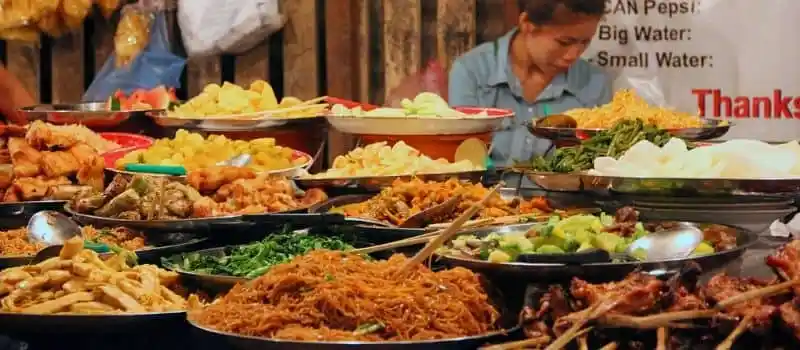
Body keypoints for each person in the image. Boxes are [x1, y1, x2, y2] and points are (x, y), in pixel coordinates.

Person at [449, 0, 611, 168]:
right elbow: (464, 159)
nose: (573, 54)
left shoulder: (595, 83)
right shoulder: (472, 72)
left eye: (585, 42)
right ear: (527, 25)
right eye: (564, 42)